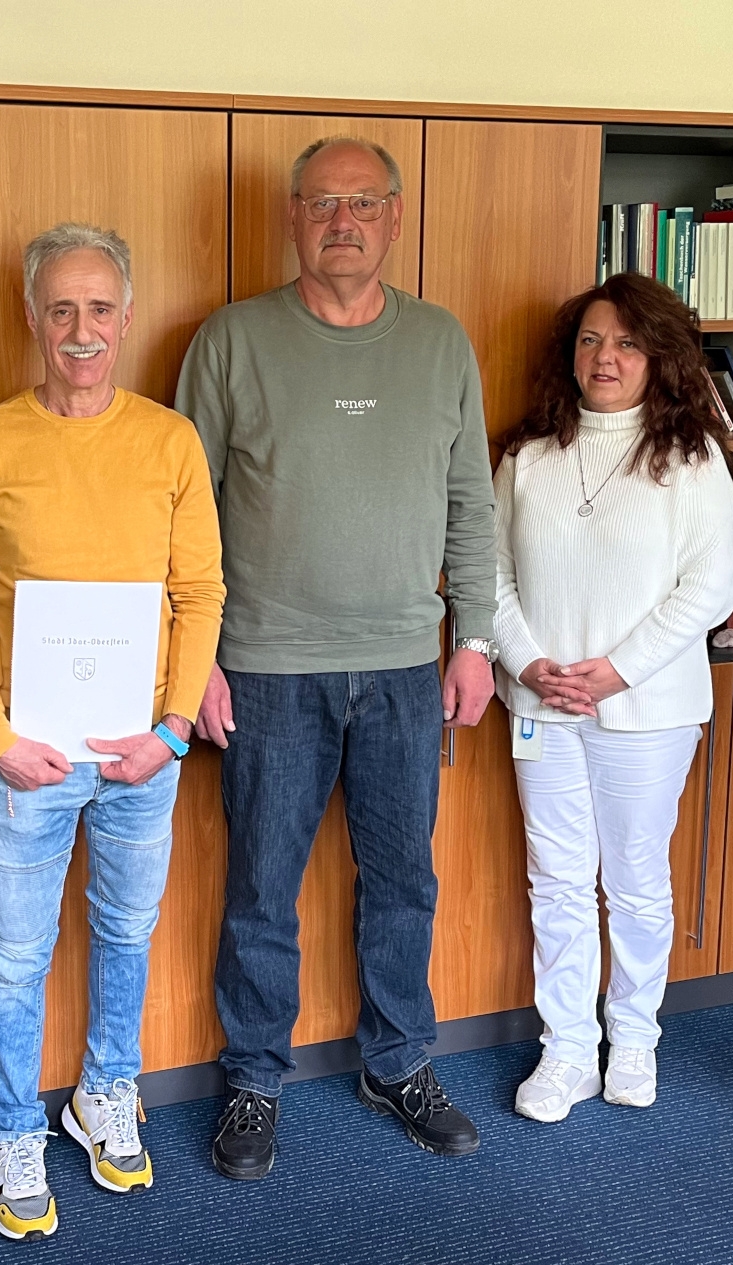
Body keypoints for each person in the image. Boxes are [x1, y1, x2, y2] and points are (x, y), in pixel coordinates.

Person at [176, 136, 497, 1179]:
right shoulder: (231, 340)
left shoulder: (442, 342)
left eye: (364, 202)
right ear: (293, 217)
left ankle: (398, 1062)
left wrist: (475, 641)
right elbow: (186, 516)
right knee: (262, 887)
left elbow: (471, 505)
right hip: (265, 667)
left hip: (408, 666)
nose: (343, 220)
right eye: (323, 202)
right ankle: (255, 1078)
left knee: (404, 879)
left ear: (396, 216)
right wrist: (199, 660)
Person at [0, 223, 224, 1240]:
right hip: (27, 756)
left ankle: (106, 1087)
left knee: (126, 933)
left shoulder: (169, 439)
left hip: (141, 754)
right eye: (60, 307)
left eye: (99, 307)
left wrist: (175, 728)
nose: (80, 328)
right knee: (19, 955)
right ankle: (15, 1127)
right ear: (31, 315)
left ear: (126, 314)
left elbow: (201, 591)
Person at [493, 273, 733, 1122]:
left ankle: (632, 1039)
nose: (607, 357)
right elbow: (487, 575)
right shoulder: (527, 457)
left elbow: (709, 588)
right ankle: (566, 1051)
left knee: (634, 881)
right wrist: (528, 663)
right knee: (555, 881)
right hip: (540, 707)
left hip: (649, 707)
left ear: (659, 359)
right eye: (592, 340)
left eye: (628, 343)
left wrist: (616, 669)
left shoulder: (694, 458)